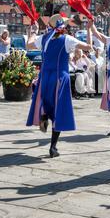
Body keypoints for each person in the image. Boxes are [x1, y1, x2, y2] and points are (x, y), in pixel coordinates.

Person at [26, 14, 94, 158]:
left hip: (44, 77)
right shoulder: (67, 39)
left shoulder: (44, 38)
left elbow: (28, 45)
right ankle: (53, 147)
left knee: (47, 101)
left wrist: (33, 31)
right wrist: (88, 30)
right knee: (59, 111)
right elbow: (89, 47)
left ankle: (44, 113)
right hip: (60, 78)